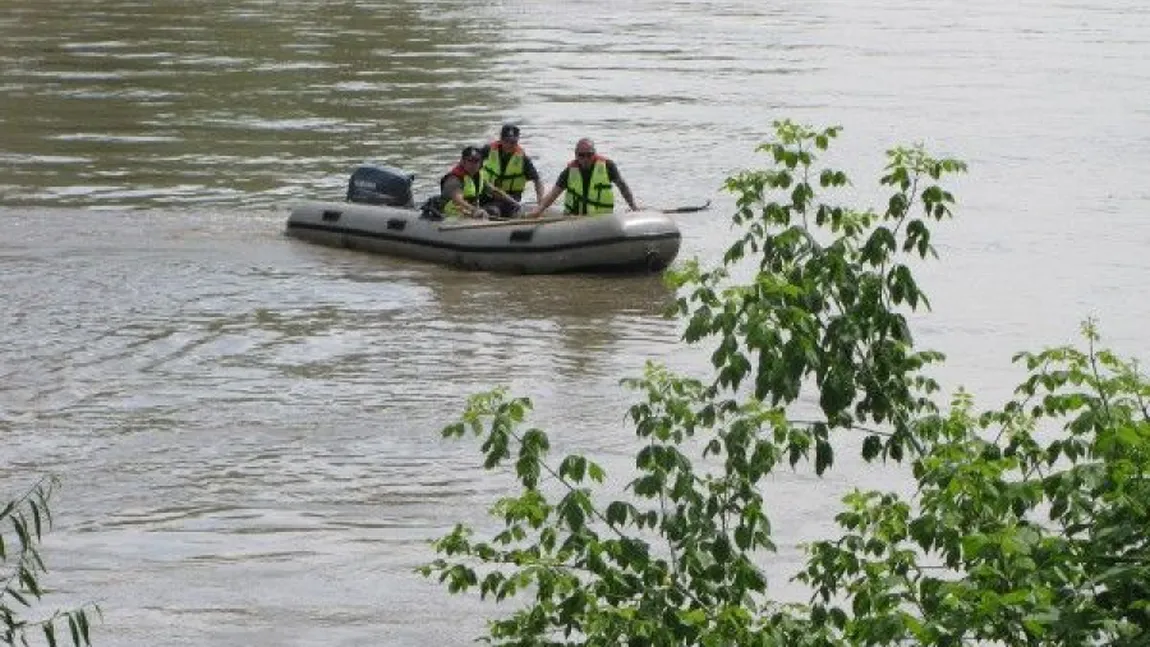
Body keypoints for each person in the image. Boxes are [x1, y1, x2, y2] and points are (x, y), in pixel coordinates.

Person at [526, 138, 639, 218]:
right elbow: (553, 194)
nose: (585, 158)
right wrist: (538, 210)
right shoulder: (569, 172)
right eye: (581, 155)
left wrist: (634, 207)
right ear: (576, 155)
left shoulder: (608, 166)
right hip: (575, 219)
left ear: (594, 154)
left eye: (589, 155)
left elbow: (623, 187)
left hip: (602, 220)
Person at [478, 124, 546, 218]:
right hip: (487, 197)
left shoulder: (522, 159)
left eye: (513, 142)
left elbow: (537, 181)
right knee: (492, 210)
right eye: (507, 141)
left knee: (501, 212)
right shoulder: (487, 150)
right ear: (501, 140)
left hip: (511, 201)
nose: (510, 145)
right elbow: (468, 166)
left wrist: (540, 204)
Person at [439, 146, 517, 219]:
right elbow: (458, 200)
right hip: (453, 216)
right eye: (470, 161)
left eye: (476, 161)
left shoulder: (478, 176)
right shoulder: (454, 179)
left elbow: (494, 191)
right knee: (483, 214)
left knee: (495, 210)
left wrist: (514, 202)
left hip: (469, 212)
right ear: (463, 161)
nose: (473, 165)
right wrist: (474, 210)